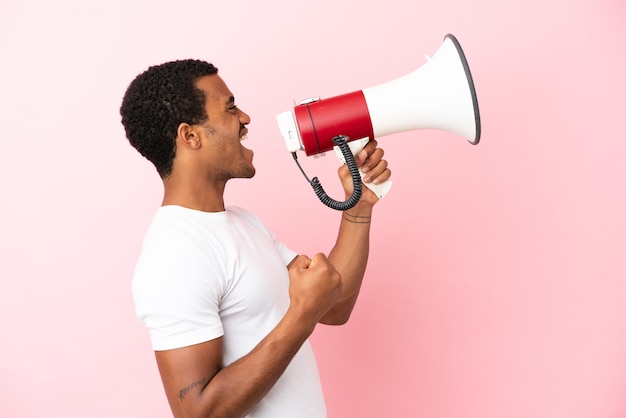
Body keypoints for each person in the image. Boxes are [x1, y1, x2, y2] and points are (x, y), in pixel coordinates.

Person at [120, 59, 391, 418]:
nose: (245, 117)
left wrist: (359, 207)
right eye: (230, 108)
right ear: (190, 136)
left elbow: (334, 305)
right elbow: (199, 413)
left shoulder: (243, 223)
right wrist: (301, 315)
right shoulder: (175, 253)